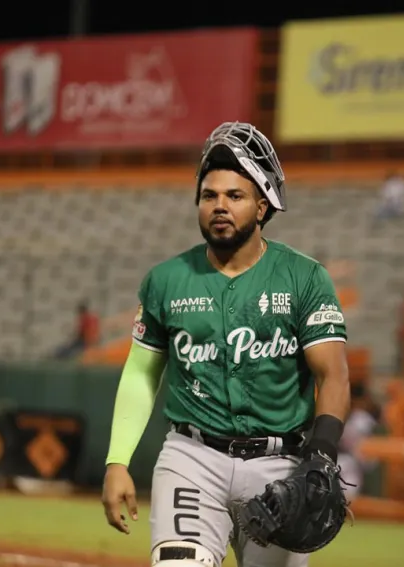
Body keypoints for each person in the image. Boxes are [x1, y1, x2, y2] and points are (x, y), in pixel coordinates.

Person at [101, 122, 351, 567]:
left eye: (234, 196)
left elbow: (332, 374)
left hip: (281, 467)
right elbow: (141, 374)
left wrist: (322, 454)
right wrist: (118, 460)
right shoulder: (165, 281)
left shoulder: (305, 277)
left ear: (262, 206)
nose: (219, 206)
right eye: (208, 195)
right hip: (191, 459)